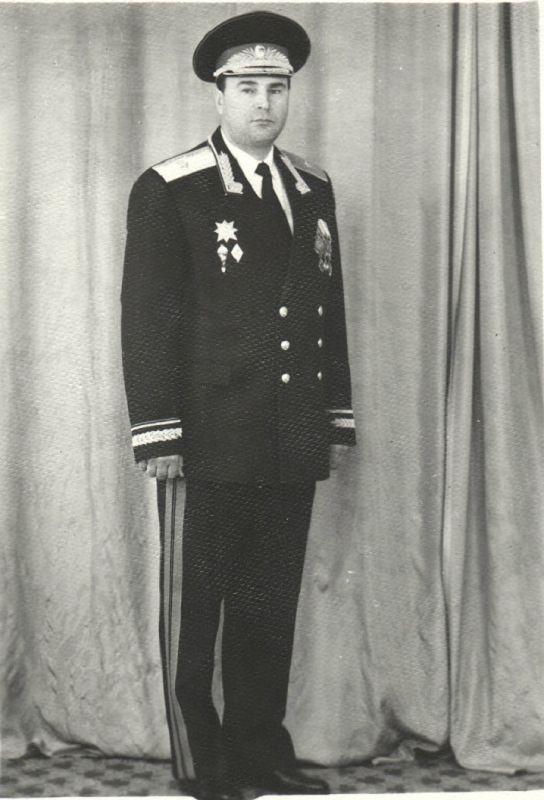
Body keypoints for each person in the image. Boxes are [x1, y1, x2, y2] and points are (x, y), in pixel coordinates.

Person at [121, 11, 356, 800]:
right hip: (205, 436)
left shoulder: (312, 188)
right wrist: (158, 432)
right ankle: (203, 763)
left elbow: (326, 311)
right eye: (248, 87)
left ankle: (260, 753)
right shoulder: (173, 188)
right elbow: (147, 319)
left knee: (267, 607)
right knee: (196, 614)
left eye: (277, 88)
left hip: (288, 435)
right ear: (218, 95)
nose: (264, 102)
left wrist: (335, 418)